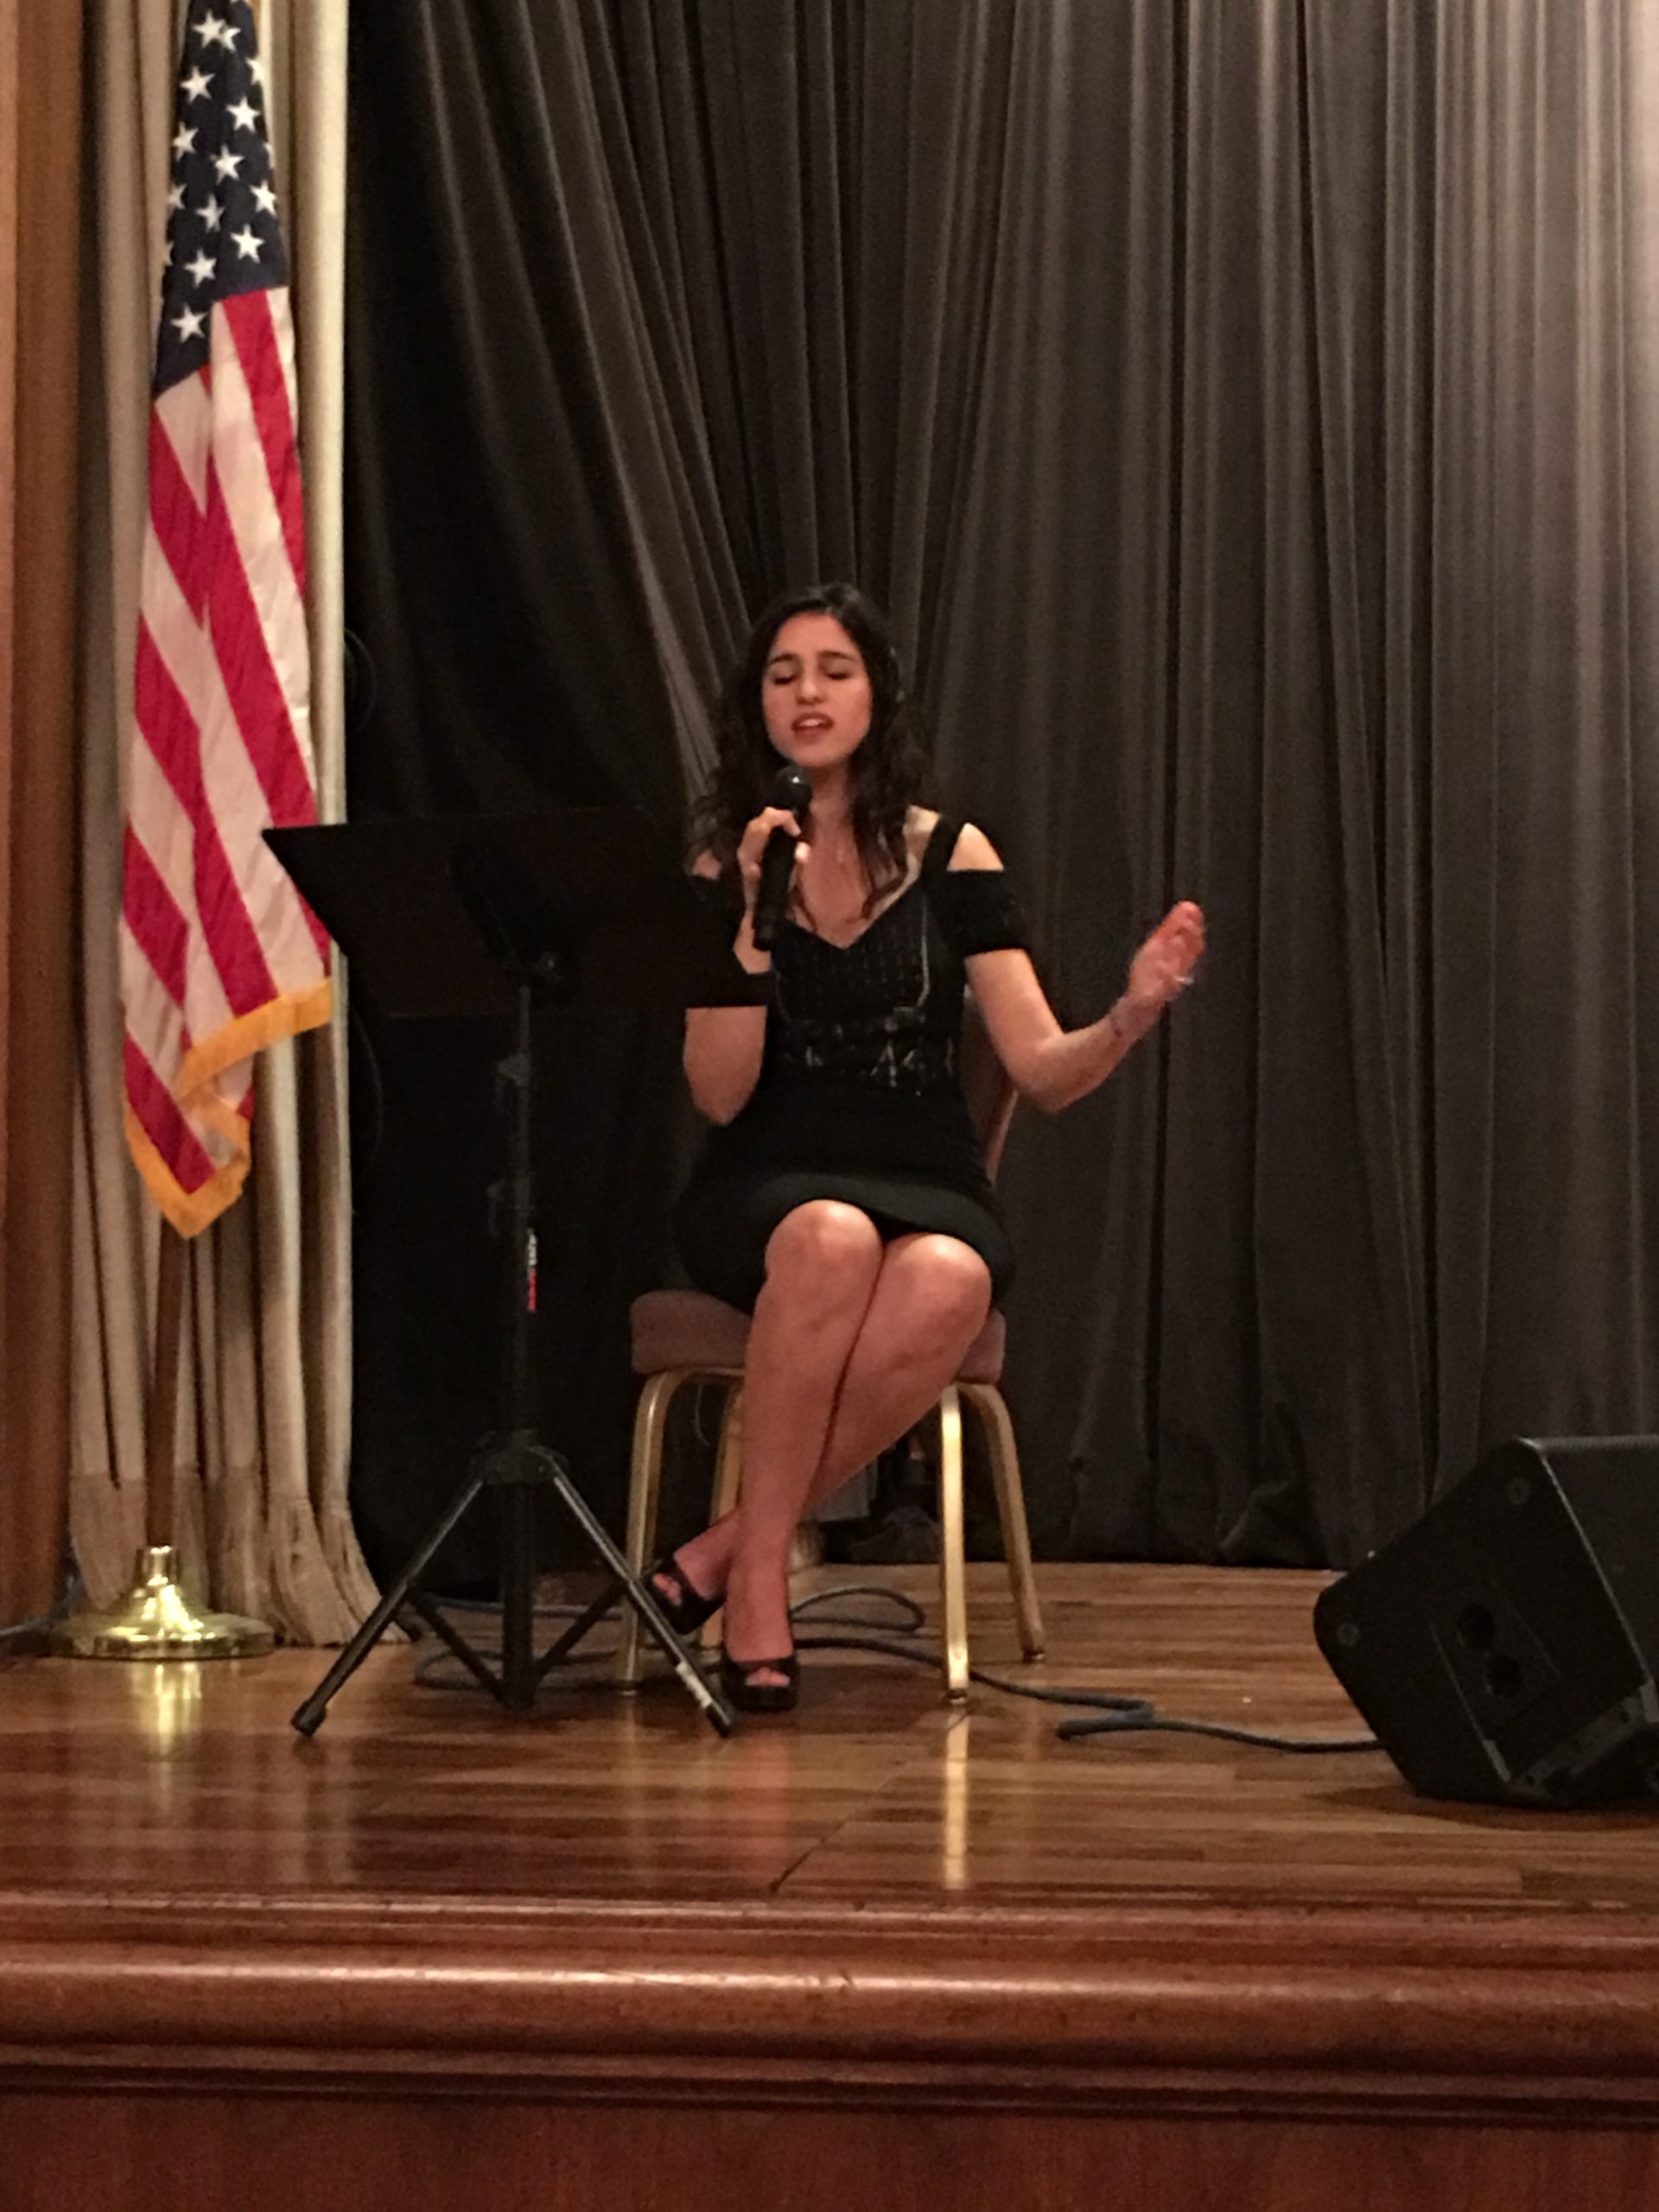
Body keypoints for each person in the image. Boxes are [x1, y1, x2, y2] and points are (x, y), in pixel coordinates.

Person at [656, 582, 1205, 1713]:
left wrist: (1131, 1012)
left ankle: (723, 1552)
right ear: (758, 706)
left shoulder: (952, 853)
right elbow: (718, 1092)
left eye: (835, 670)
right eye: (784, 675)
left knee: (951, 1274)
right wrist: (752, 921)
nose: (809, 694)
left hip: (926, 1170)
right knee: (829, 1236)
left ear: (878, 696)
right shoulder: (726, 864)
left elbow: (1041, 1069)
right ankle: (759, 1579)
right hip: (769, 1177)